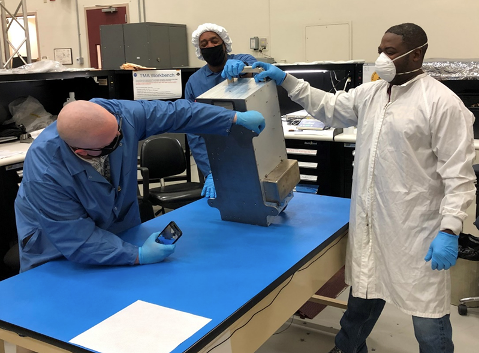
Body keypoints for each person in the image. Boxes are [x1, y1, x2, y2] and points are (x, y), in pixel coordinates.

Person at [253, 23, 475, 353]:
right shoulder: (371, 93)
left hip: (415, 231)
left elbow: (459, 176)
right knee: (362, 299)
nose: (382, 58)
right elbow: (329, 106)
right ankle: (348, 349)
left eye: (390, 51)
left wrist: (450, 229)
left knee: (427, 318)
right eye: (380, 50)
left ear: (416, 55)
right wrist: (287, 80)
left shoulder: (442, 103)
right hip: (371, 225)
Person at [14, 98, 265, 273]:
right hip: (57, 247)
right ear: (83, 152)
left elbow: (178, 113)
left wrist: (231, 118)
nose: (123, 141)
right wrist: (137, 255)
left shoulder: (119, 117)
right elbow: (77, 239)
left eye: (120, 133)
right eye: (113, 144)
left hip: (120, 228)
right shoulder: (46, 173)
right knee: (54, 321)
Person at [185, 23, 257, 198]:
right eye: (203, 44)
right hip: (213, 154)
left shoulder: (240, 63)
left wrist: (244, 66)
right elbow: (192, 129)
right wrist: (210, 170)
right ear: (199, 51)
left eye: (214, 41)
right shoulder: (194, 82)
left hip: (249, 149)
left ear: (224, 44)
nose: (209, 46)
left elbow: (256, 65)